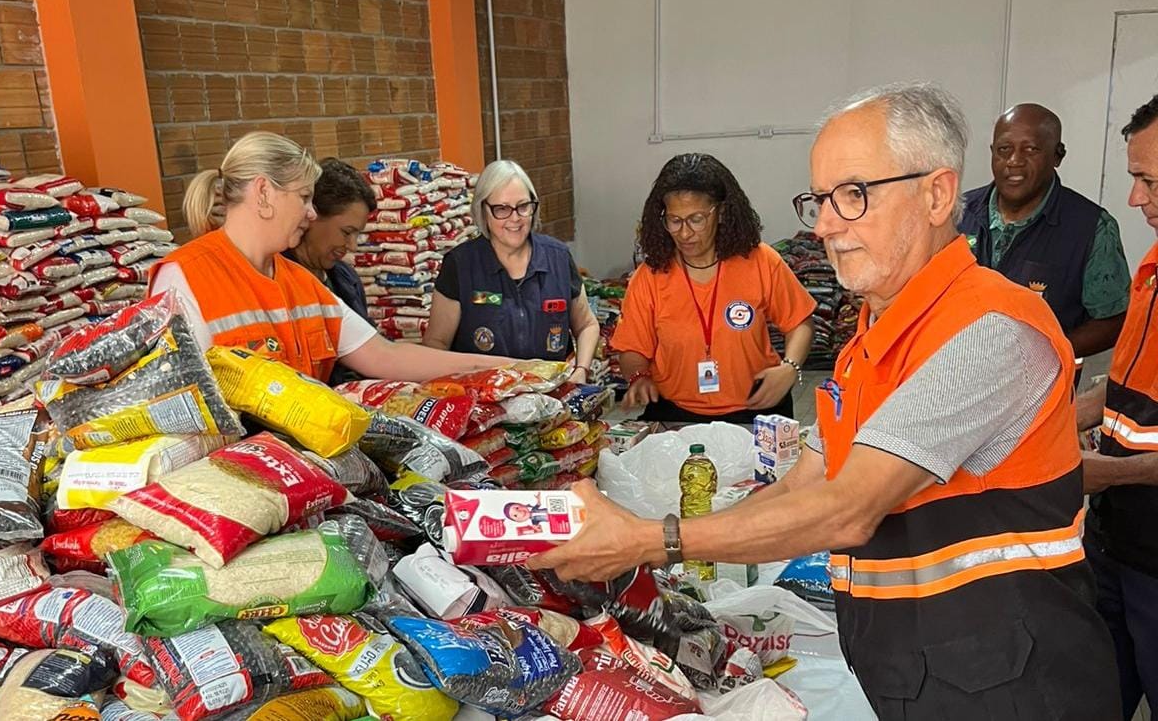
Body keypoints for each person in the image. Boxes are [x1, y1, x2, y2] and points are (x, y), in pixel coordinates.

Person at [530, 83, 1120, 719]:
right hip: (921, 663)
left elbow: (847, 508)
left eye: (854, 195)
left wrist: (652, 540)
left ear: (937, 194)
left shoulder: (993, 329)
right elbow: (809, 478)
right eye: (818, 199)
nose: (825, 225)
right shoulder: (874, 334)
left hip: (1012, 680)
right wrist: (686, 551)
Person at [149, 131, 509, 383]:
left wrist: (513, 367)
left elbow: (385, 356)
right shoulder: (185, 277)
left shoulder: (300, 282)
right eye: (304, 197)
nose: (310, 213)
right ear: (263, 193)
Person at [610, 153, 815, 424]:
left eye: (696, 219)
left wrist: (789, 369)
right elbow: (632, 348)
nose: (684, 233)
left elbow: (800, 322)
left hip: (758, 408)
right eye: (674, 220)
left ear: (721, 213)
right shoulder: (650, 276)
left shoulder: (760, 260)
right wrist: (639, 377)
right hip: (675, 413)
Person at [1076, 92, 1158, 720]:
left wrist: (1115, 471)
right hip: (1113, 539)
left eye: (1148, 180)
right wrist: (1049, 415)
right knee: (1096, 690)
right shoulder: (1152, 269)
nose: (1134, 199)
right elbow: (1125, 387)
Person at [961, 103, 1130, 358]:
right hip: (955, 377)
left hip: (1041, 388)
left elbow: (1113, 321)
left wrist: (1046, 355)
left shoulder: (1092, 228)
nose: (1014, 161)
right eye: (1004, 150)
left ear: (1057, 155)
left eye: (1031, 149)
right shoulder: (957, 214)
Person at [423, 160, 599, 383]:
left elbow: (587, 325)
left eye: (523, 206)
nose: (515, 218)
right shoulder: (460, 265)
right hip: (485, 402)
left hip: (553, 399)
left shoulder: (558, 258)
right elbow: (436, 343)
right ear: (483, 210)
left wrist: (581, 370)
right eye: (502, 209)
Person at [283, 157, 374, 323]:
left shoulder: (348, 279)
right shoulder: (277, 280)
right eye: (347, 232)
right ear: (311, 215)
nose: (353, 246)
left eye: (357, 234)